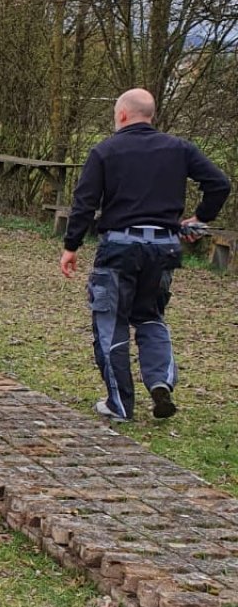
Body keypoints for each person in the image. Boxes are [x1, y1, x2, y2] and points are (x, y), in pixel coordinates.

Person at [60, 87, 230, 421]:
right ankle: (160, 381)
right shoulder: (179, 148)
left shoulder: (105, 151)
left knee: (112, 322)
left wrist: (71, 246)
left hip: (120, 248)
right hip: (164, 248)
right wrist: (200, 217)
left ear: (122, 114)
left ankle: (119, 404)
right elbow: (219, 183)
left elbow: (84, 203)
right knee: (151, 317)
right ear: (150, 115)